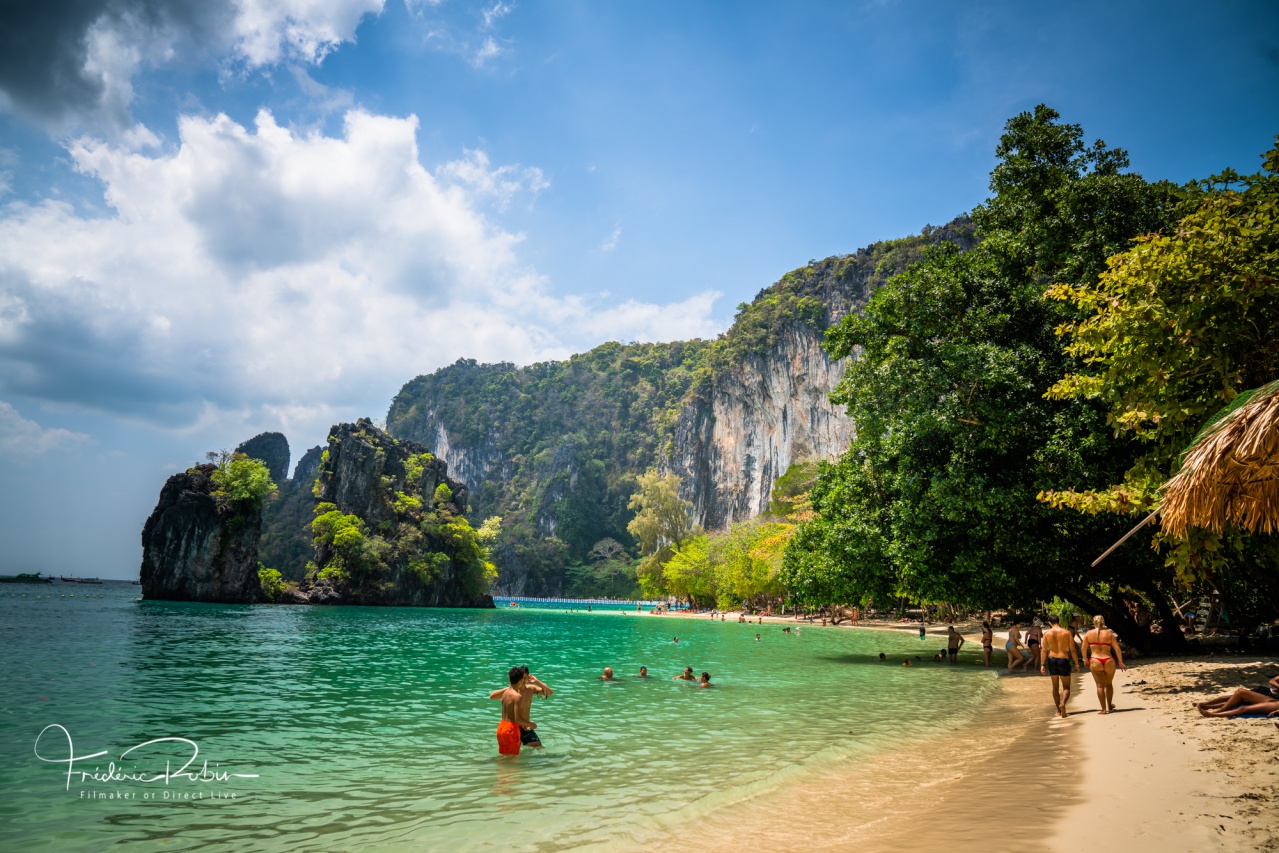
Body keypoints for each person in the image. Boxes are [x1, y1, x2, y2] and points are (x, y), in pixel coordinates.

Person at [1083, 615, 1126, 714]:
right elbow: (1117, 649)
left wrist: (1085, 659)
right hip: (1108, 660)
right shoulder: (1109, 634)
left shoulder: (1089, 634)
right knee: (1109, 684)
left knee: (1099, 686)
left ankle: (1103, 709)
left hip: (1095, 660)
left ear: (1093, 623)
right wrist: (1120, 662)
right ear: (1103, 622)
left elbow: (1083, 648)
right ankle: (1110, 705)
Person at [1039, 615, 1078, 718]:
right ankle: (1063, 704)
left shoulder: (1047, 634)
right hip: (1063, 660)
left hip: (1051, 660)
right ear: (1059, 621)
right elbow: (1073, 650)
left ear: (1049, 623)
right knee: (1066, 687)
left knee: (1055, 687)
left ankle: (1058, 710)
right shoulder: (1067, 633)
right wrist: (1077, 664)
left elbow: (1043, 650)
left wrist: (1042, 664)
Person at [489, 667, 528, 755]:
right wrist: (530, 724)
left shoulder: (505, 693)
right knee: (512, 760)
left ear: (509, 679)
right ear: (521, 680)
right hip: (511, 729)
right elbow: (518, 719)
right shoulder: (517, 696)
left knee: (504, 757)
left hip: (501, 728)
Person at [1196, 674, 1279, 715]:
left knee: (1240, 696)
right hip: (1267, 691)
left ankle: (1218, 711)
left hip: (1272, 698)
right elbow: (1271, 681)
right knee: (1232, 697)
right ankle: (1207, 705)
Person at [516, 666, 552, 748]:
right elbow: (492, 696)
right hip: (514, 727)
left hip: (526, 728)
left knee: (539, 748)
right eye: (520, 677)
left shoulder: (530, 689)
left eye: (525, 678)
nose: (522, 680)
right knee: (512, 756)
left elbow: (549, 693)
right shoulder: (512, 691)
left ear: (528, 677)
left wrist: (536, 681)